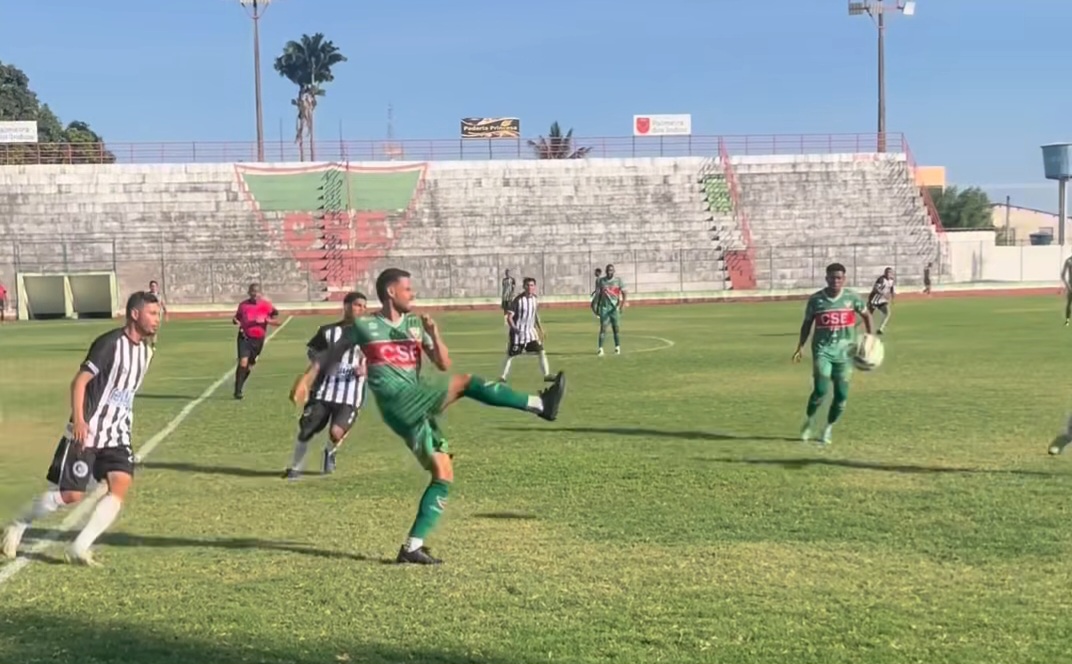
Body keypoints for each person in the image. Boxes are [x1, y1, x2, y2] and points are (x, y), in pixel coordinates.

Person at [289, 268, 567, 565]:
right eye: (407, 289)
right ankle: (539, 404)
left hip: (413, 401)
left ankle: (412, 547)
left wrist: (433, 334)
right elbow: (330, 356)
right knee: (467, 382)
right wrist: (305, 381)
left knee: (443, 473)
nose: (413, 293)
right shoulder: (365, 326)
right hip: (397, 400)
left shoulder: (415, 324)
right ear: (391, 293)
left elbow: (443, 363)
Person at [1, 291, 160, 565]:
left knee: (120, 484)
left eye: (159, 314)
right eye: (153, 313)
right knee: (71, 494)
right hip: (89, 430)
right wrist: (80, 421)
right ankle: (17, 523)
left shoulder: (145, 352)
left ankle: (79, 547)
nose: (158, 320)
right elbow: (79, 382)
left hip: (118, 434)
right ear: (135, 314)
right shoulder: (109, 344)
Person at [284, 292, 369, 479]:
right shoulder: (328, 331)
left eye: (364, 306)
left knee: (336, 433)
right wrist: (307, 380)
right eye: (357, 305)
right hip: (323, 391)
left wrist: (366, 368)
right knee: (306, 429)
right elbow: (315, 358)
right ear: (346, 306)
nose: (361, 309)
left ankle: (330, 452)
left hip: (350, 394)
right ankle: (295, 468)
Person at [792, 263, 873, 446]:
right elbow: (806, 324)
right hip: (823, 351)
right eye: (832, 277)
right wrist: (800, 347)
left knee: (841, 396)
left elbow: (867, 315)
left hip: (845, 354)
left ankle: (828, 428)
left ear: (844, 279)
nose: (835, 281)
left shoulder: (852, 298)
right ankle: (810, 420)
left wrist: (869, 339)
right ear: (826, 278)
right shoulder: (816, 300)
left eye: (839, 277)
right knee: (820, 390)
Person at [500, 277, 553, 383]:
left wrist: (540, 329)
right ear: (524, 287)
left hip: (530, 334)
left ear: (535, 287)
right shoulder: (518, 300)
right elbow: (509, 317)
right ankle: (502, 377)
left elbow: (535, 315)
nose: (530, 287)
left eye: (532, 285)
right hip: (518, 334)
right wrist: (514, 329)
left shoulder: (535, 299)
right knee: (510, 355)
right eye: (527, 285)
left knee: (541, 351)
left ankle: (547, 375)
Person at [232, 283, 281, 399]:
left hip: (258, 340)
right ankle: (237, 391)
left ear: (260, 293)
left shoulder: (266, 305)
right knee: (243, 362)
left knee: (249, 365)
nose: (255, 294)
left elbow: (277, 319)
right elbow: (236, 318)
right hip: (244, 337)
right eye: (252, 291)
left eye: (257, 292)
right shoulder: (243, 305)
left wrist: (266, 320)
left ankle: (240, 383)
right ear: (249, 293)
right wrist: (235, 321)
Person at [592, 264, 627, 356]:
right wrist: (594, 304)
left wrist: (622, 305)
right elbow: (598, 294)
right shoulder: (601, 281)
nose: (609, 272)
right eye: (608, 270)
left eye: (611, 270)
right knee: (603, 328)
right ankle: (600, 348)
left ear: (614, 271)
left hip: (614, 308)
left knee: (615, 328)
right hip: (604, 308)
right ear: (606, 271)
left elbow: (624, 293)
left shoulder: (618, 281)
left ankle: (617, 347)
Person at [867, 267, 896, 335]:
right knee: (867, 315)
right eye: (887, 272)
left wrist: (892, 297)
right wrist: (883, 294)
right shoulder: (881, 279)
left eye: (890, 273)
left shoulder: (891, 280)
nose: (888, 274)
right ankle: (854, 325)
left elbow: (891, 289)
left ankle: (880, 329)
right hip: (874, 300)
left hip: (883, 301)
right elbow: (875, 289)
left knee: (887, 313)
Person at [148, 280, 167, 348]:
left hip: (158, 315)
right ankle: (148, 342)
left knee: (155, 329)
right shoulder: (147, 296)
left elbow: (162, 304)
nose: (153, 287)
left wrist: (165, 312)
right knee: (149, 329)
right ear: (150, 287)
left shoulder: (159, 295)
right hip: (149, 314)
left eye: (155, 286)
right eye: (152, 286)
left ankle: (153, 344)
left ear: (157, 287)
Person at [1062, 256, 1072, 326]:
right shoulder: (1068, 261)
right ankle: (1067, 320)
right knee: (1069, 303)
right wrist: (1068, 286)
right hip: (1071, 285)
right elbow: (1063, 275)